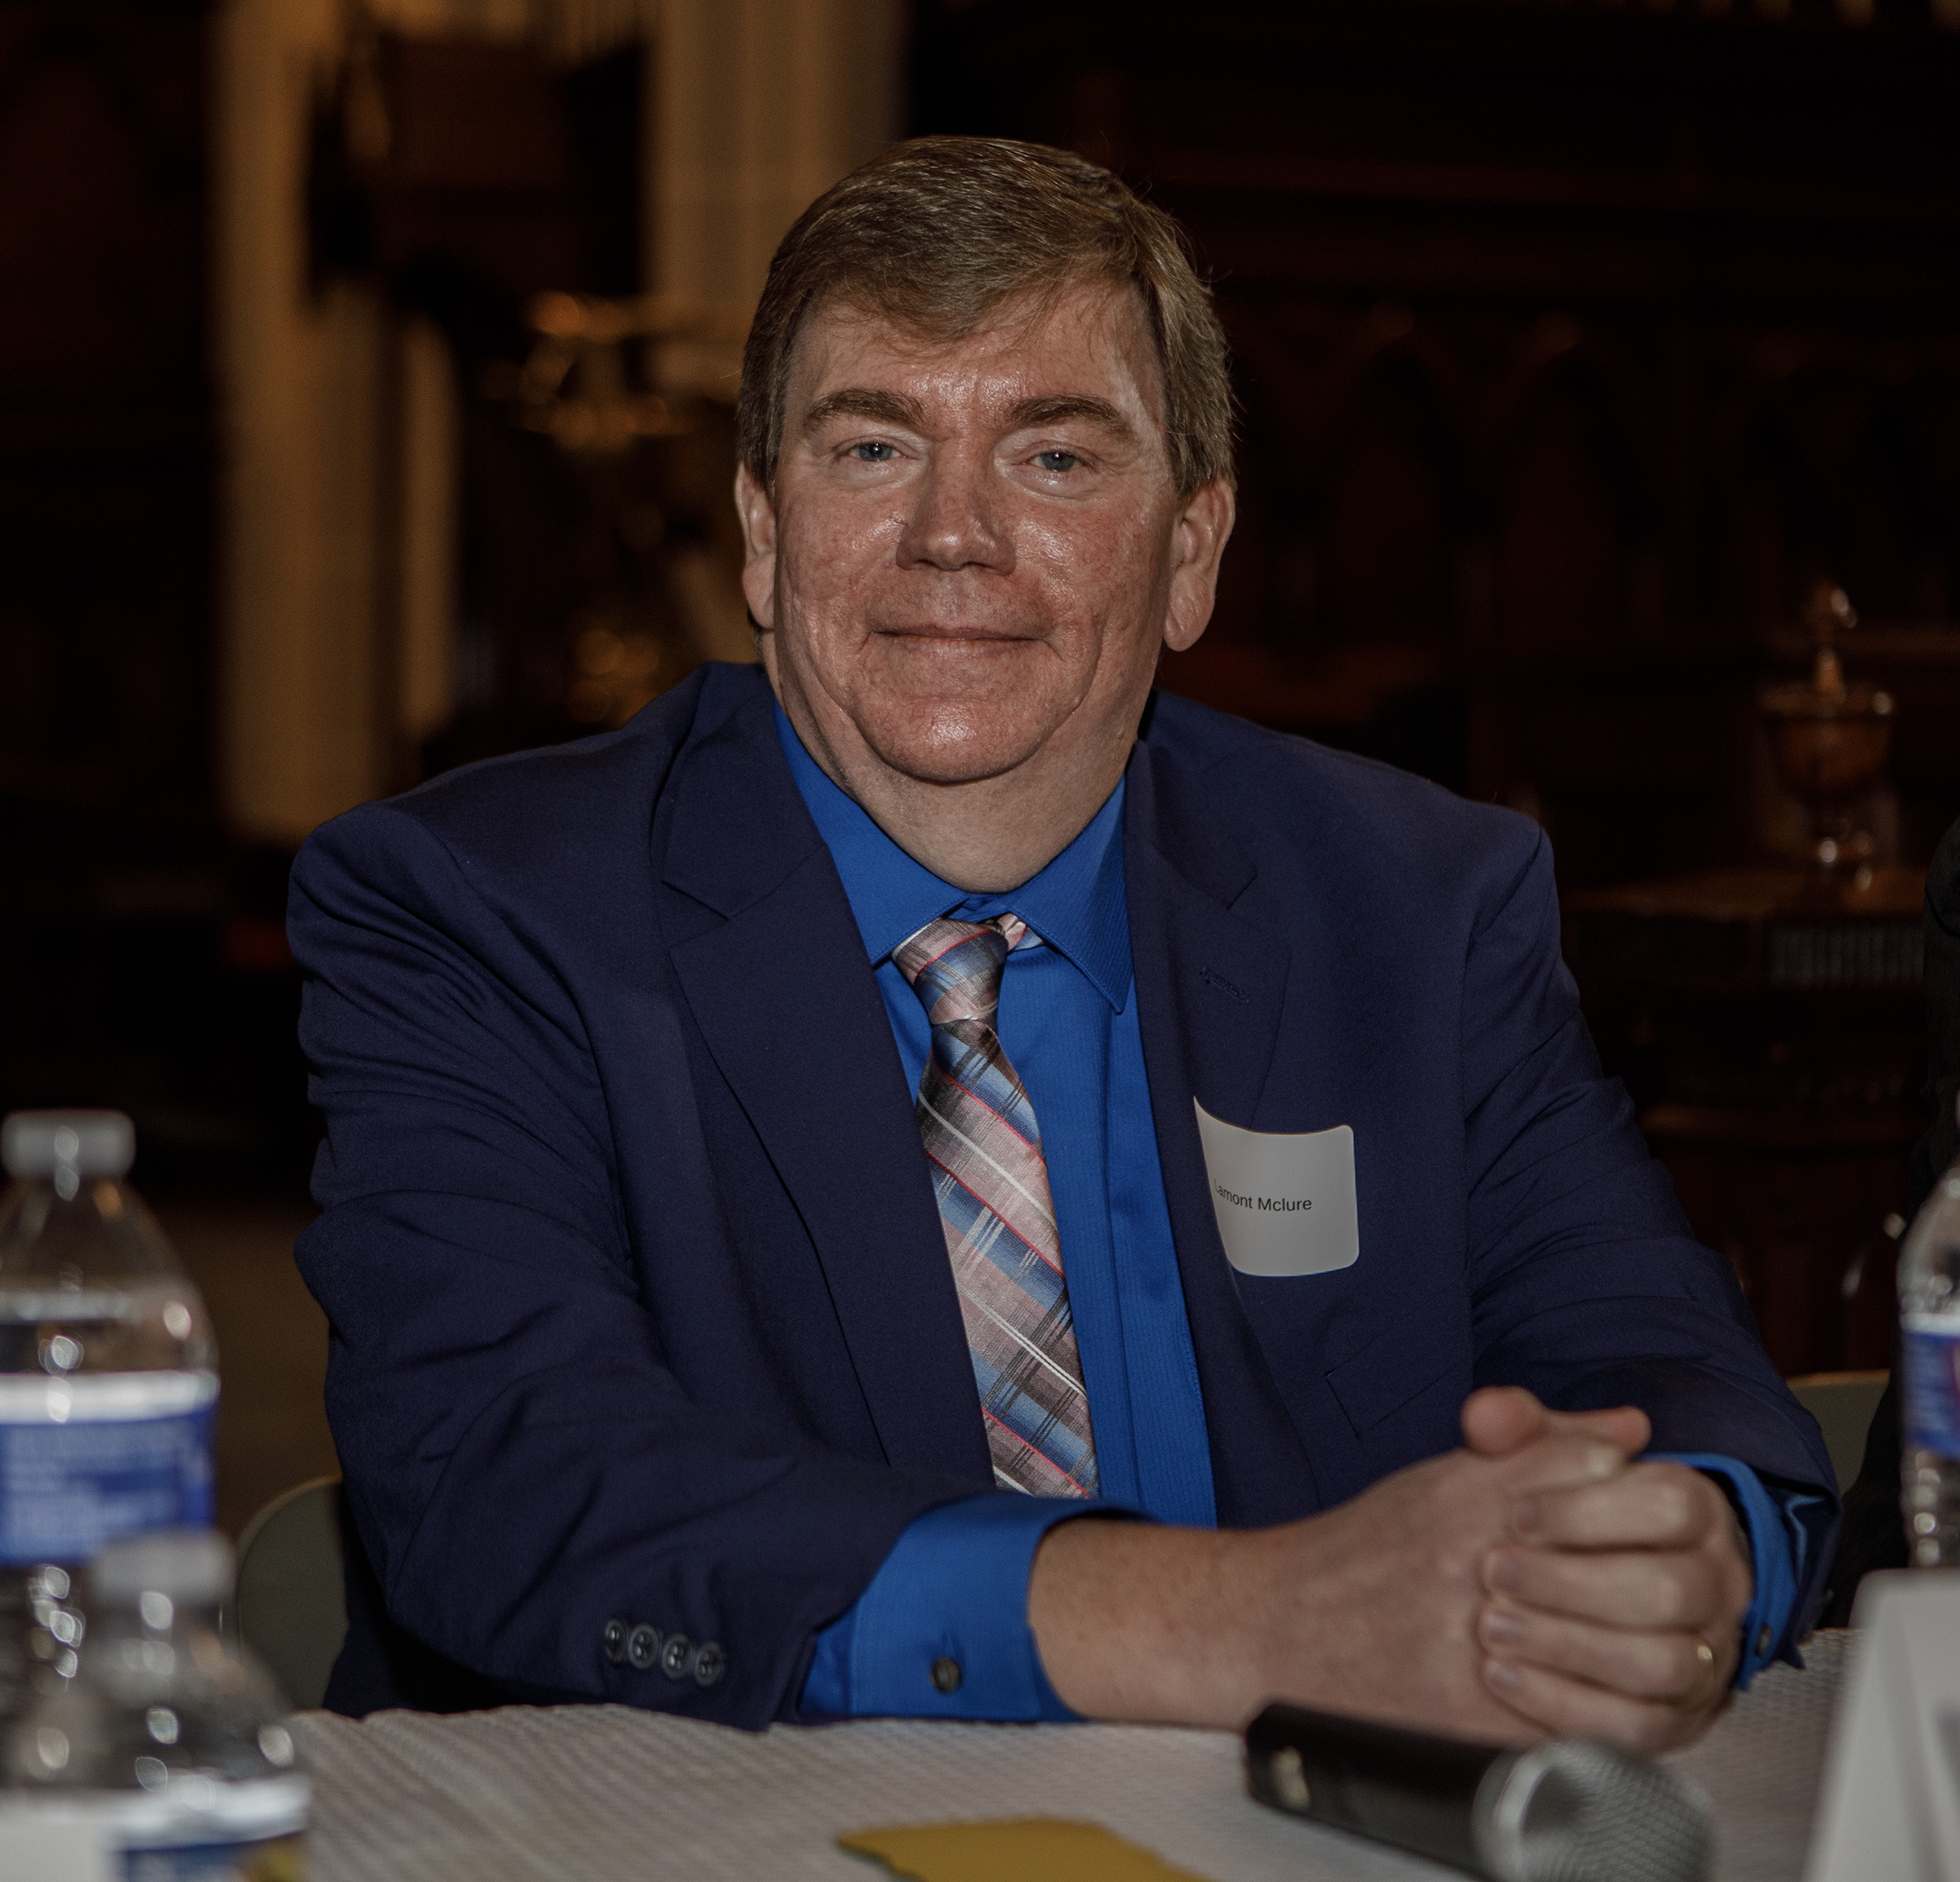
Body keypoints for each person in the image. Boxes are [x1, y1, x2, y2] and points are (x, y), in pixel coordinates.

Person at [289, 137, 1837, 1748]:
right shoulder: (482, 910)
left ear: (1191, 552)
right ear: (760, 534)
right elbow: (507, 1480)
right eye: (874, 445)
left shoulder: (1415, 906)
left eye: (1057, 458)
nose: (953, 534)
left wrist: (1678, 1548)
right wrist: (1237, 1623)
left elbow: (1678, 1375)